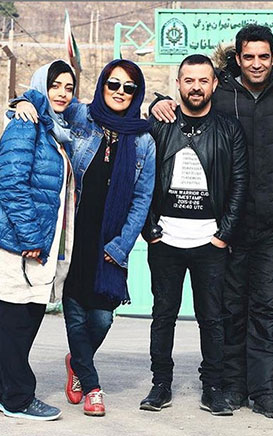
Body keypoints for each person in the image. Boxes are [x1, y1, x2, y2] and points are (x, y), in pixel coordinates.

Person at [151, 24, 273, 419]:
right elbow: (189, 99)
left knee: (269, 307)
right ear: (237, 58)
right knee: (229, 309)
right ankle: (232, 386)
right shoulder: (221, 92)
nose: (256, 63)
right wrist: (158, 103)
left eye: (263, 56)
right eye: (248, 56)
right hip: (229, 225)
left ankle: (268, 391)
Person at [15, 59, 156, 417]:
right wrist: (23, 102)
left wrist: (122, 245)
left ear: (136, 93)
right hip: (74, 236)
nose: (120, 92)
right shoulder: (82, 116)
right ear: (102, 85)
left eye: (128, 87)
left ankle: (77, 361)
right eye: (113, 84)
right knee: (76, 317)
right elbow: (49, 101)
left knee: (102, 319)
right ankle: (92, 387)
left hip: (111, 242)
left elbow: (142, 199)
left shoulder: (143, 140)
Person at [140, 54, 247, 416]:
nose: (196, 87)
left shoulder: (229, 129)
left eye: (203, 80)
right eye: (189, 80)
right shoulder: (160, 125)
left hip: (209, 241)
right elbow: (140, 177)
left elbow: (239, 184)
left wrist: (224, 234)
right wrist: (150, 229)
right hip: (165, 239)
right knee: (163, 316)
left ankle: (212, 388)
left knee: (212, 318)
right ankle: (160, 385)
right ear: (178, 84)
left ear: (214, 84)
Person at [0, 60, 77, 421]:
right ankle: (17, 399)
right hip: (20, 245)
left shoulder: (53, 128)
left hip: (38, 243)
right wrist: (31, 236)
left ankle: (8, 392)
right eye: (54, 85)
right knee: (17, 322)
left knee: (22, 319)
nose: (62, 93)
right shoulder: (26, 123)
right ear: (40, 86)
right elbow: (10, 183)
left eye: (69, 87)